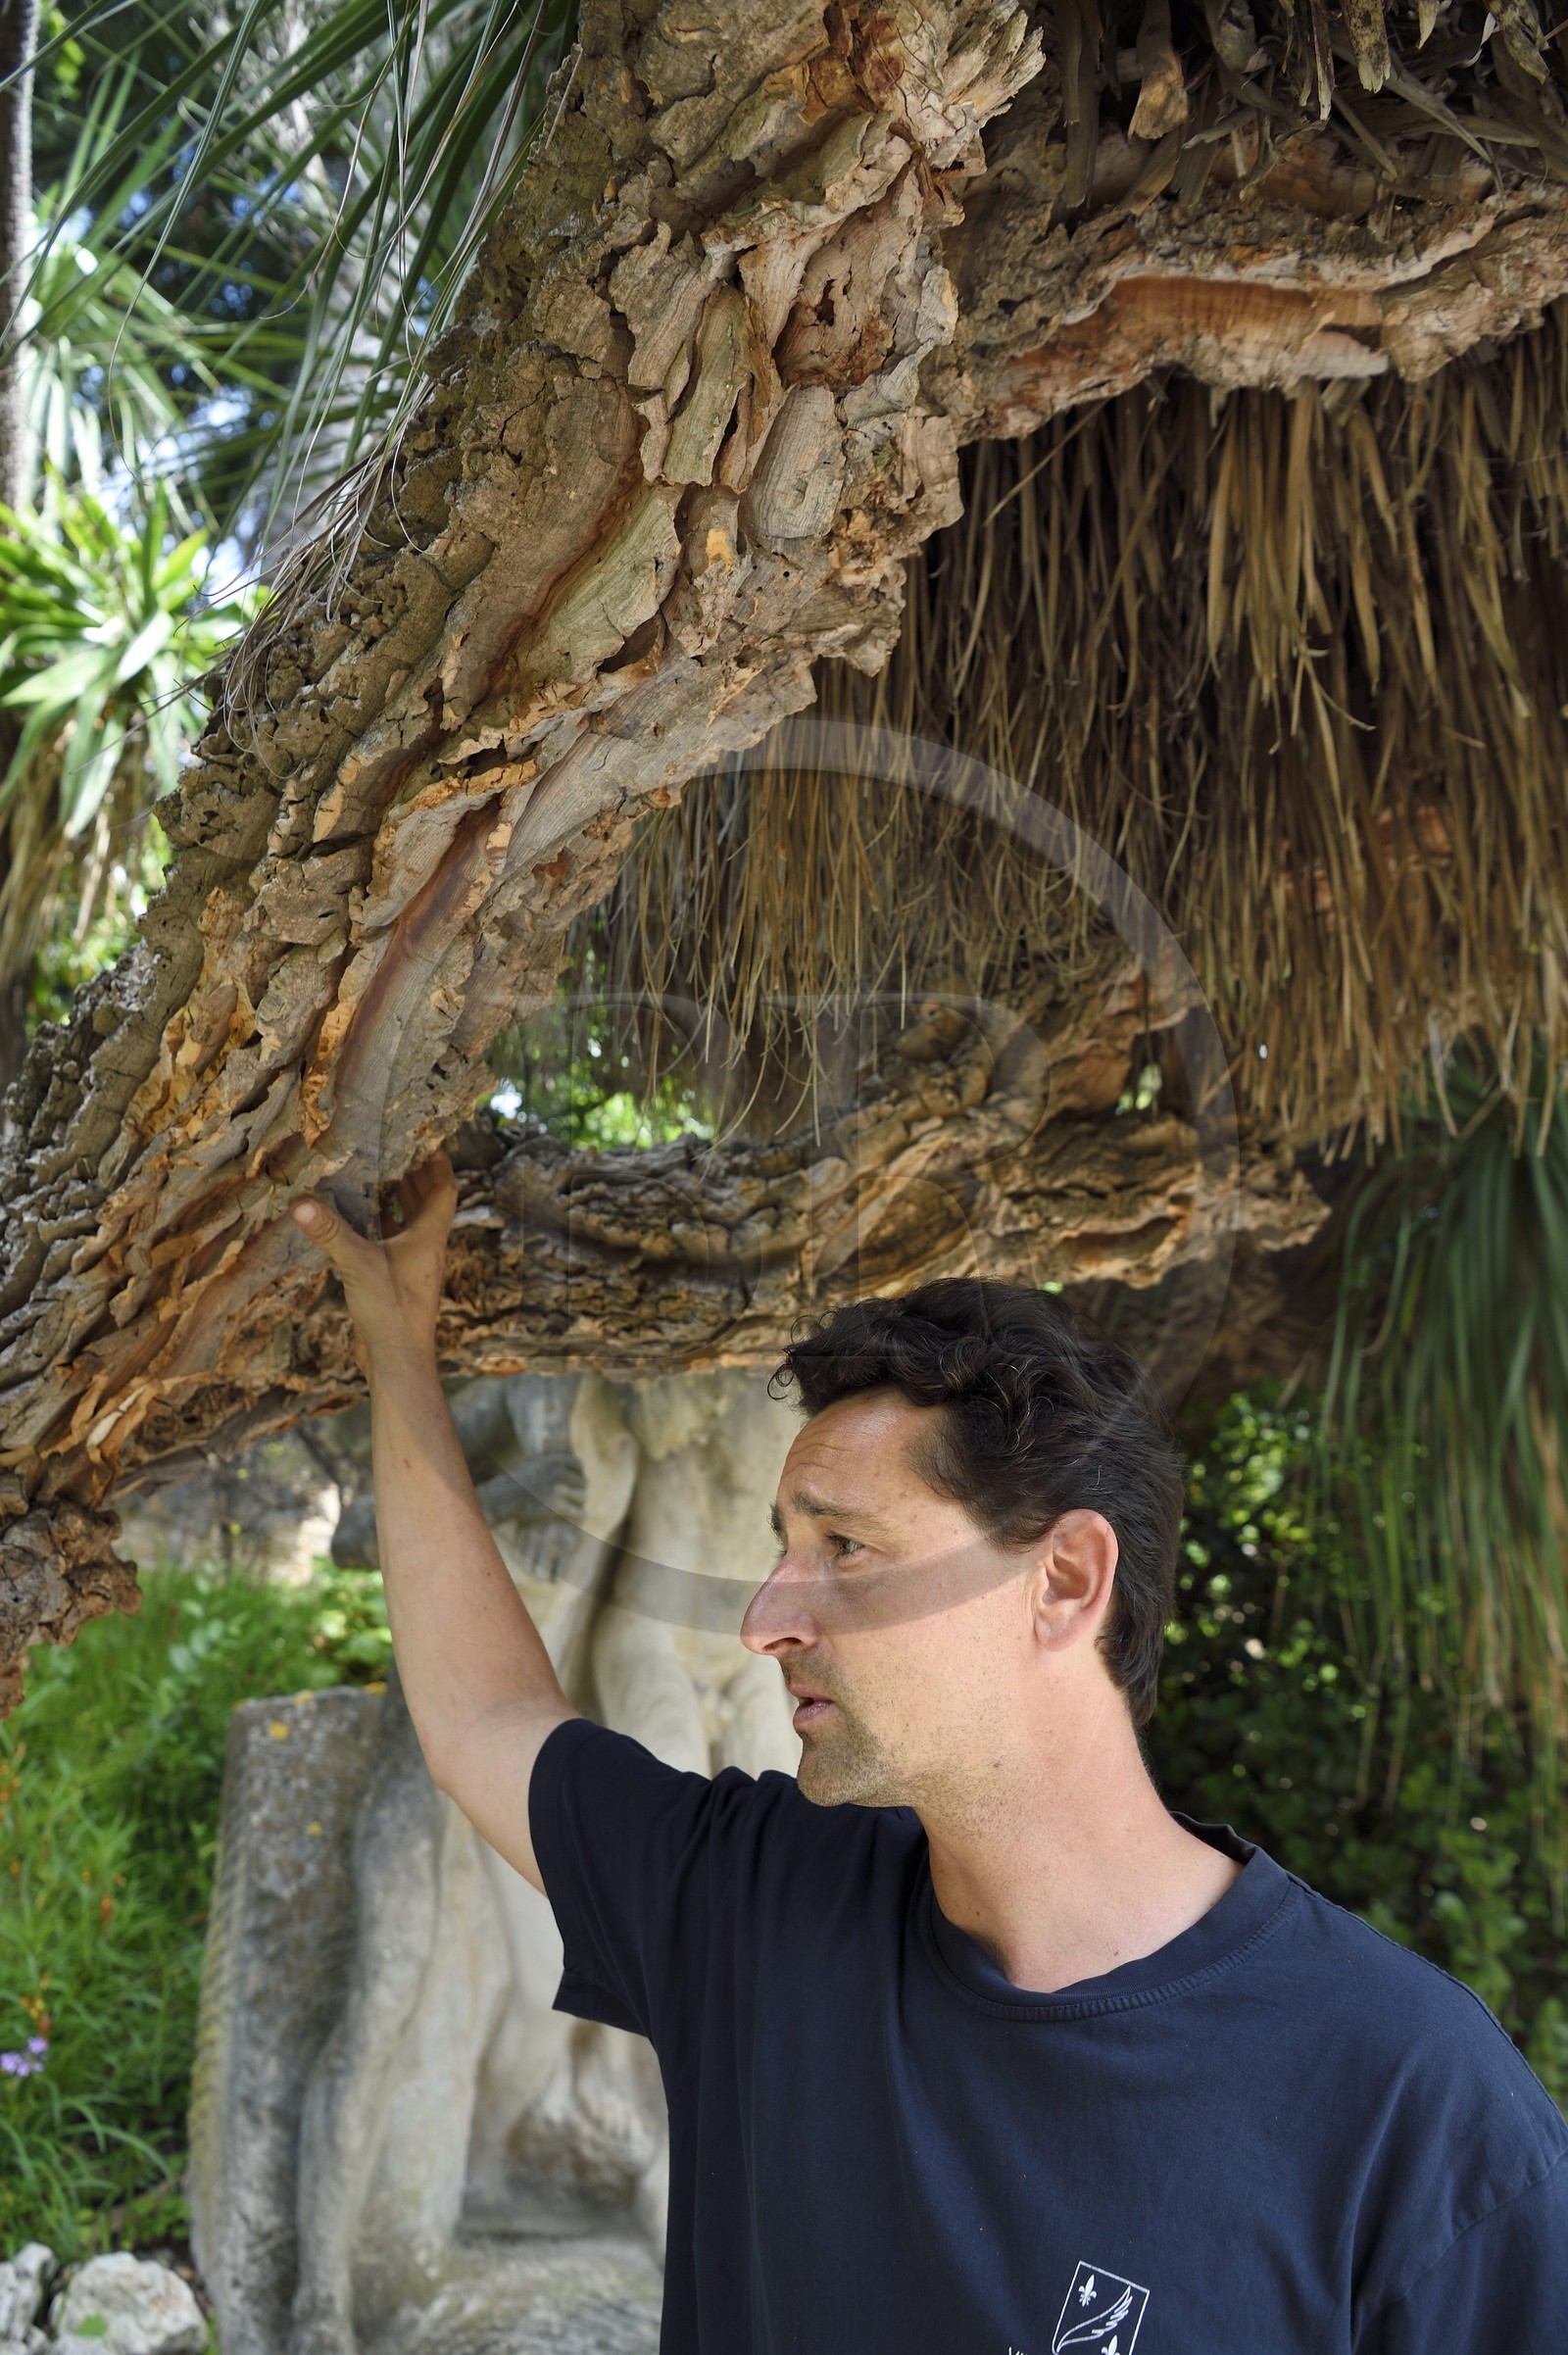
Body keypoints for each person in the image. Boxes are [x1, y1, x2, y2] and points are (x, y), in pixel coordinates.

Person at [291, 1152, 1568, 2354]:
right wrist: (393, 1341)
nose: (762, 1618)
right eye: (784, 1547)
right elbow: (481, 1721)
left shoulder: (1415, 2110)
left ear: (1064, 1581)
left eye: (844, 1550)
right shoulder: (757, 1909)